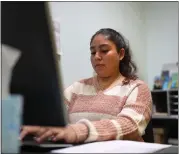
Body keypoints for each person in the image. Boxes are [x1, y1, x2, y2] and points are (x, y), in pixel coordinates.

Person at [20, 28, 152, 144]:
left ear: (121, 54)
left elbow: (129, 125)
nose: (97, 57)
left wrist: (77, 131)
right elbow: (55, 116)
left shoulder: (137, 88)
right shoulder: (77, 88)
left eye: (104, 51)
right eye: (93, 52)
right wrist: (41, 127)